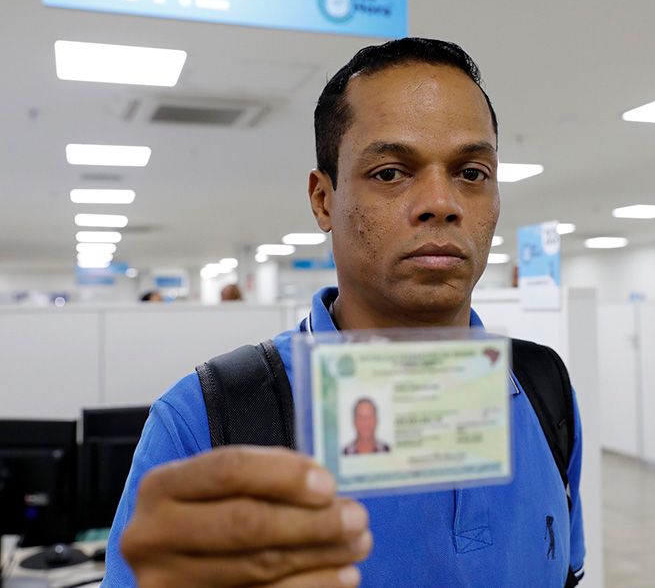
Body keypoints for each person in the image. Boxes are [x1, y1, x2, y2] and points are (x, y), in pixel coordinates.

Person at [105, 38, 585, 587]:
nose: (442, 202)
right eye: (390, 172)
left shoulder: (545, 389)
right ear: (322, 199)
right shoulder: (206, 420)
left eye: (471, 172)